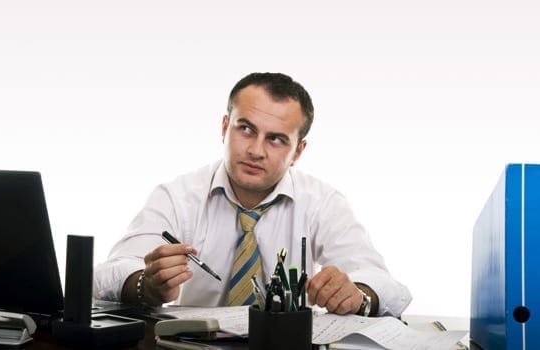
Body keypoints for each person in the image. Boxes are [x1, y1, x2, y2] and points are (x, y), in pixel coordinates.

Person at [94, 72, 411, 317]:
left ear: (298, 151)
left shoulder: (322, 202)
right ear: (223, 127)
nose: (255, 151)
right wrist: (145, 285)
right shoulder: (177, 196)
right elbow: (105, 276)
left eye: (275, 139)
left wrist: (358, 293)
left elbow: (387, 286)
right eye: (245, 129)